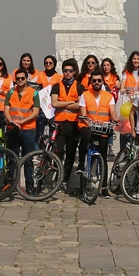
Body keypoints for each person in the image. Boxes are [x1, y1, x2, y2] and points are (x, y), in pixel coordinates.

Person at [78, 73, 116, 197]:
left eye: (99, 80)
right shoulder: (85, 95)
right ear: (91, 82)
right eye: (94, 80)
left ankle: (104, 187)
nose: (97, 82)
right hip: (88, 125)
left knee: (103, 156)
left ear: (102, 82)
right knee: (84, 137)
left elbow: (112, 112)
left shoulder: (109, 96)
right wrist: (89, 123)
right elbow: (83, 113)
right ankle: (80, 164)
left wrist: (115, 119)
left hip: (103, 128)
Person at [51, 59, 83, 191]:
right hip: (60, 124)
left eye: (70, 71)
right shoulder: (56, 86)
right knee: (59, 151)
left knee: (70, 154)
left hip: (73, 124)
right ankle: (58, 177)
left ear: (74, 72)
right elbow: (54, 103)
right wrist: (71, 102)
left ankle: (65, 180)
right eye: (65, 71)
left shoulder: (79, 86)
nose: (67, 73)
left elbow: (80, 105)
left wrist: (62, 103)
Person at [4, 70, 40, 162]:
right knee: (12, 159)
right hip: (12, 128)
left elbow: (35, 112)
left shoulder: (34, 93)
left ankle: (28, 177)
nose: (20, 80)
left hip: (28, 129)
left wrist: (22, 121)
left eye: (22, 78)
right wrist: (11, 121)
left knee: (28, 159)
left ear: (27, 79)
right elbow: (6, 110)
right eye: (18, 78)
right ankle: (12, 177)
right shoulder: (10, 92)